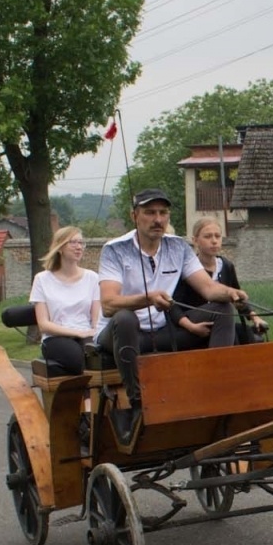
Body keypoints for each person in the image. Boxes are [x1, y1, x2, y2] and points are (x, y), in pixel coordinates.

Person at [97, 188, 246, 442]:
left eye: (163, 213)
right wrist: (148, 298)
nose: (158, 219)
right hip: (121, 335)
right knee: (124, 318)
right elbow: (109, 304)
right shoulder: (115, 249)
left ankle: (217, 394)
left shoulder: (178, 247)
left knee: (222, 309)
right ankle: (137, 405)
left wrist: (231, 292)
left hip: (163, 333)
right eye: (150, 212)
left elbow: (208, 288)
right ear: (135, 216)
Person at [169, 218, 268, 347]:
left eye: (217, 236)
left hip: (222, 322)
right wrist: (192, 327)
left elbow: (238, 299)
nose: (214, 241)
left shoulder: (226, 265)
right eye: (208, 236)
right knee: (224, 309)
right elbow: (173, 305)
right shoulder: (187, 269)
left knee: (247, 334)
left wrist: (256, 318)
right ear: (195, 240)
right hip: (191, 323)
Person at [29, 225, 101, 376]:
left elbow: (96, 319)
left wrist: (91, 333)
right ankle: (86, 400)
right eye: (73, 242)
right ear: (60, 248)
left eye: (81, 243)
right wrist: (77, 333)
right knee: (75, 358)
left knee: (98, 356)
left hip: (87, 334)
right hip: (56, 338)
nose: (78, 247)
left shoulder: (92, 278)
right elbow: (44, 325)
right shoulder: (42, 279)